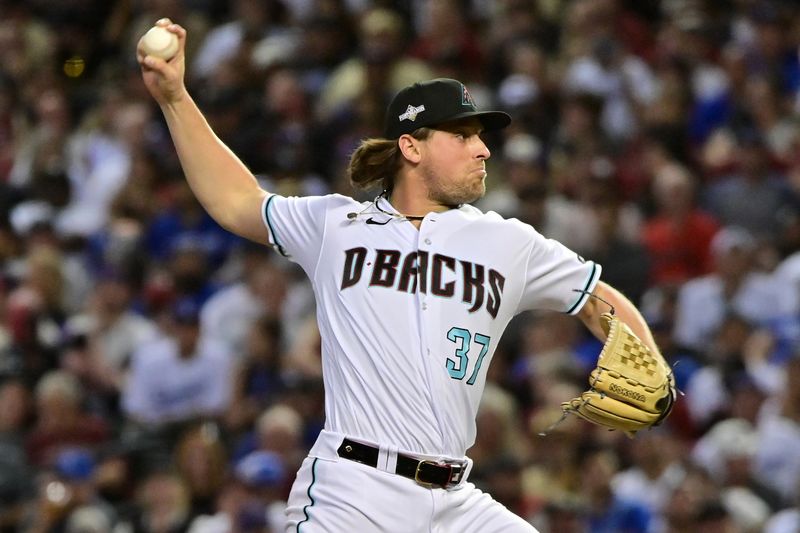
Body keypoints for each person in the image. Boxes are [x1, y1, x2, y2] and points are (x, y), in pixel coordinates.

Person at [138, 19, 666, 532]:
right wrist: (176, 99)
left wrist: (650, 362)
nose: (483, 149)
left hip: (456, 499)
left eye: (480, 137)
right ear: (411, 147)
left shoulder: (509, 243)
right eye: (462, 136)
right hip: (354, 490)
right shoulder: (335, 226)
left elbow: (596, 298)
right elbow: (237, 203)